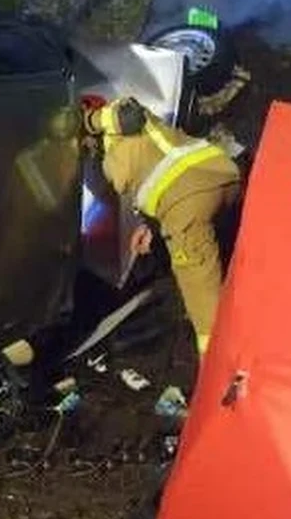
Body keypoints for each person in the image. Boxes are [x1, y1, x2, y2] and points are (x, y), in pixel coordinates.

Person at [82, 96, 241, 356]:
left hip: (187, 208)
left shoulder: (116, 119)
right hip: (221, 178)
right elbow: (155, 171)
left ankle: (217, 374)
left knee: (203, 308)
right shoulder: (139, 137)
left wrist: (88, 119)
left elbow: (125, 113)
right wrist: (152, 228)